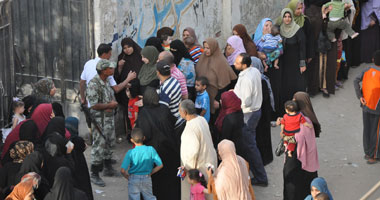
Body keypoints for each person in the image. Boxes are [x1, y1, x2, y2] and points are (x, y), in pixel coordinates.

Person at [135, 87, 180, 199]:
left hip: (154, 154)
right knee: (168, 184)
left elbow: (143, 135)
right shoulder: (164, 109)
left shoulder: (144, 113)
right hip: (169, 152)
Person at [232, 53, 267, 186]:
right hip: (255, 111)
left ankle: (260, 177)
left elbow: (245, 101)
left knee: (250, 146)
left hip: (248, 113)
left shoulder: (246, 79)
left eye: (237, 62)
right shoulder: (254, 71)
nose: (235, 64)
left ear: (244, 65)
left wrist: (233, 100)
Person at [86, 59, 119, 186]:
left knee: (109, 142)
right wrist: (108, 105)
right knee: (99, 145)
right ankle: (94, 173)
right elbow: (93, 105)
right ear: (104, 71)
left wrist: (111, 105)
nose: (113, 70)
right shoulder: (94, 84)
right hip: (100, 121)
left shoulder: (106, 81)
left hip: (109, 119)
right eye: (110, 68)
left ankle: (108, 168)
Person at [179, 100, 217, 200]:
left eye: (180, 111)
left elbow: (192, 153)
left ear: (185, 113)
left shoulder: (191, 129)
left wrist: (189, 171)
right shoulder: (201, 119)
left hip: (198, 167)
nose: (179, 113)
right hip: (208, 160)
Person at [214, 91, 257, 176]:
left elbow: (225, 136)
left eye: (223, 100)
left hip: (231, 148)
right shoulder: (236, 110)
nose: (220, 101)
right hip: (239, 143)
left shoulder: (229, 119)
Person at [195, 38, 237, 117]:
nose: (205, 50)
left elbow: (224, 84)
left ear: (214, 48)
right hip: (201, 96)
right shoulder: (202, 58)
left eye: (208, 48)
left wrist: (217, 100)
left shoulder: (221, 61)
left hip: (214, 98)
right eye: (204, 47)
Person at [120, 128, 163, 200]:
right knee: (149, 198)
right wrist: (151, 172)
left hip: (133, 179)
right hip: (147, 178)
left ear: (132, 140)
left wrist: (127, 177)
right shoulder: (151, 149)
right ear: (144, 138)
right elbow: (160, 165)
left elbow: (122, 171)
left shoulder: (130, 153)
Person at [354, 50, 380, 164]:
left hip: (365, 105)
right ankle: (373, 155)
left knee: (367, 130)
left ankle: (367, 152)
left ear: (373, 60)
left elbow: (355, 81)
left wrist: (360, 96)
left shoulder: (367, 70)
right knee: (376, 132)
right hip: (377, 108)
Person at [279, 8, 307, 115]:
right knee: (286, 85)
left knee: (296, 85)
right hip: (284, 63)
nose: (287, 19)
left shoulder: (297, 30)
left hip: (295, 64)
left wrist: (302, 63)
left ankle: (298, 109)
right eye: (285, 17)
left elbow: (302, 48)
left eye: (289, 16)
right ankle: (287, 108)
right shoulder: (280, 29)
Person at [114, 38, 143, 139]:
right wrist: (119, 67)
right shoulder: (121, 58)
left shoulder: (140, 56)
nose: (127, 50)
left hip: (139, 90)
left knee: (139, 112)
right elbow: (116, 77)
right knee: (129, 112)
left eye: (129, 47)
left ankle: (140, 134)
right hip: (125, 92)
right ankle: (131, 134)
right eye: (124, 48)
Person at [251, 57, 274, 165]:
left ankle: (264, 159)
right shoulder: (257, 79)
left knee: (262, 136)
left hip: (262, 113)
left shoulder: (261, 81)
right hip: (260, 112)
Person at [65, 117, 94, 200]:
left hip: (71, 165)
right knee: (83, 185)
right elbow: (85, 147)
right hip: (80, 164)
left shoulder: (65, 139)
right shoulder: (78, 140)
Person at [156, 60, 185, 132]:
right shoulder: (174, 80)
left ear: (158, 72)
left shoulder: (166, 88)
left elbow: (163, 109)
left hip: (174, 122)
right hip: (180, 117)